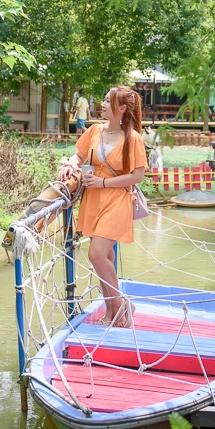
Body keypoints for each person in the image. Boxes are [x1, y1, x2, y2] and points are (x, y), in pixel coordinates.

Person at [58, 86, 147, 327]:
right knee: (105, 257)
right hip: (94, 199)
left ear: (122, 108)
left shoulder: (133, 138)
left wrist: (104, 182)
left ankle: (121, 306)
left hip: (117, 200)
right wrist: (71, 165)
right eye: (104, 100)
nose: (103, 104)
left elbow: (137, 176)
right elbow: (79, 156)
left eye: (109, 101)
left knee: (96, 254)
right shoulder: (95, 130)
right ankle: (112, 313)